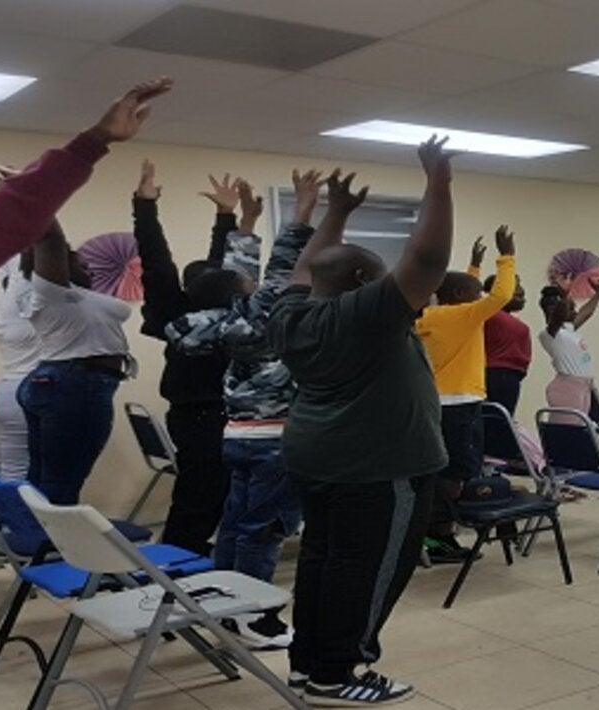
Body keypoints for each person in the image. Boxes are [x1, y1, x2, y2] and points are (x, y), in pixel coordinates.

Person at [0, 76, 172, 675]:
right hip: (69, 385)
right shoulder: (49, 291)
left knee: (38, 484)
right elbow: (37, 238)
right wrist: (84, 154)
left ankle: (46, 554)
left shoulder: (56, 296)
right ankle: (62, 566)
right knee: (57, 490)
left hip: (52, 384)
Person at [268, 141, 454, 706]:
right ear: (360, 282)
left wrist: (337, 213)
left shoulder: (291, 313)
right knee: (369, 569)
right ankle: (338, 671)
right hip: (379, 468)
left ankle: (308, 664)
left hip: (317, 460)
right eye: (378, 277)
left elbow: (307, 267)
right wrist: (438, 184)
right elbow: (426, 261)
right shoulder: (365, 315)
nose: (391, 285)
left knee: (323, 561)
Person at [166, 170, 323, 650]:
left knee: (236, 526)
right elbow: (277, 273)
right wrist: (301, 213)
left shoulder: (224, 324)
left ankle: (225, 609)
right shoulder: (261, 324)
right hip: (275, 442)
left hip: (237, 436)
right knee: (264, 533)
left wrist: (247, 224)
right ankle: (255, 618)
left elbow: (243, 280)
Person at [133, 161, 246, 555]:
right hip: (203, 418)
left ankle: (193, 560)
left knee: (213, 497)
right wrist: (145, 208)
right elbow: (156, 263)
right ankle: (178, 565)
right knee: (198, 501)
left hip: (208, 417)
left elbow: (217, 267)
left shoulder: (208, 315)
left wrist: (226, 216)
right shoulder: (181, 318)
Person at [414, 226, 517, 564]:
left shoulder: (430, 316)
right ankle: (440, 537)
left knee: (436, 470)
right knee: (455, 473)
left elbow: (461, 289)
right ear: (460, 295)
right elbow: (501, 296)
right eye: (475, 293)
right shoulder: (462, 315)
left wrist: (474, 266)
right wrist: (506, 257)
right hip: (460, 406)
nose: (479, 299)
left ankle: (429, 533)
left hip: (434, 404)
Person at [17, 216, 135, 505]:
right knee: (62, 481)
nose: (89, 269)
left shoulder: (76, 296)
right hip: (74, 384)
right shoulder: (51, 292)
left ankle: (37, 530)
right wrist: (40, 199)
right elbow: (51, 241)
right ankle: (54, 533)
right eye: (82, 264)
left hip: (59, 381)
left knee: (44, 476)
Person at [0, 257, 44, 479]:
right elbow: (19, 278)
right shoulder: (24, 322)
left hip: (5, 391)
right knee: (17, 473)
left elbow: (12, 282)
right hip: (23, 394)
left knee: (1, 466)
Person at [467, 236, 531, 416]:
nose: (521, 291)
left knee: (501, 421)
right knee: (496, 422)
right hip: (495, 374)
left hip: (510, 377)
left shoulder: (505, 317)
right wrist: (475, 265)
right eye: (516, 286)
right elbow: (470, 296)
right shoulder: (489, 314)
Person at [538, 276, 599, 413]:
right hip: (568, 387)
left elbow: (586, 313)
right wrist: (565, 297)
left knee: (585, 423)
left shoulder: (568, 329)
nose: (575, 312)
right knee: (570, 425)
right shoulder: (550, 334)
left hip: (584, 385)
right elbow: (557, 317)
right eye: (571, 308)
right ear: (552, 310)